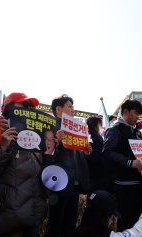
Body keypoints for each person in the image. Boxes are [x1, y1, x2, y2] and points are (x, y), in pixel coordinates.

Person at [0, 92, 48, 236]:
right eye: (24, 105)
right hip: (7, 222)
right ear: (8, 109)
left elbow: (43, 173)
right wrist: (2, 147)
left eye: (30, 107)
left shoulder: (36, 137)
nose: (28, 110)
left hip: (32, 218)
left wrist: (51, 150)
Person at [46, 94, 92, 237]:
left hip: (74, 183)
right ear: (58, 109)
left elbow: (78, 156)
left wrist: (85, 151)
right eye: (70, 107)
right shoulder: (50, 127)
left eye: (73, 107)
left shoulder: (77, 129)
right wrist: (57, 143)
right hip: (59, 183)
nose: (73, 110)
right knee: (55, 223)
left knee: (69, 223)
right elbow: (46, 156)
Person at [103, 100, 142, 231]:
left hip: (138, 184)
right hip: (124, 185)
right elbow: (107, 152)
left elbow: (141, 155)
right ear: (125, 112)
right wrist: (128, 162)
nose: (138, 117)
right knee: (127, 222)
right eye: (136, 113)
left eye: (139, 114)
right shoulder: (115, 130)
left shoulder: (135, 132)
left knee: (138, 221)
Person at [75, 190, 142, 237]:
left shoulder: (78, 232)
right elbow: (137, 233)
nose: (111, 221)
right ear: (104, 218)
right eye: (111, 216)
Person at [87, 116, 113, 193]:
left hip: (93, 173)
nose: (101, 127)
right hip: (99, 171)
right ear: (96, 125)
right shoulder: (95, 136)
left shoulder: (89, 136)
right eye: (100, 125)